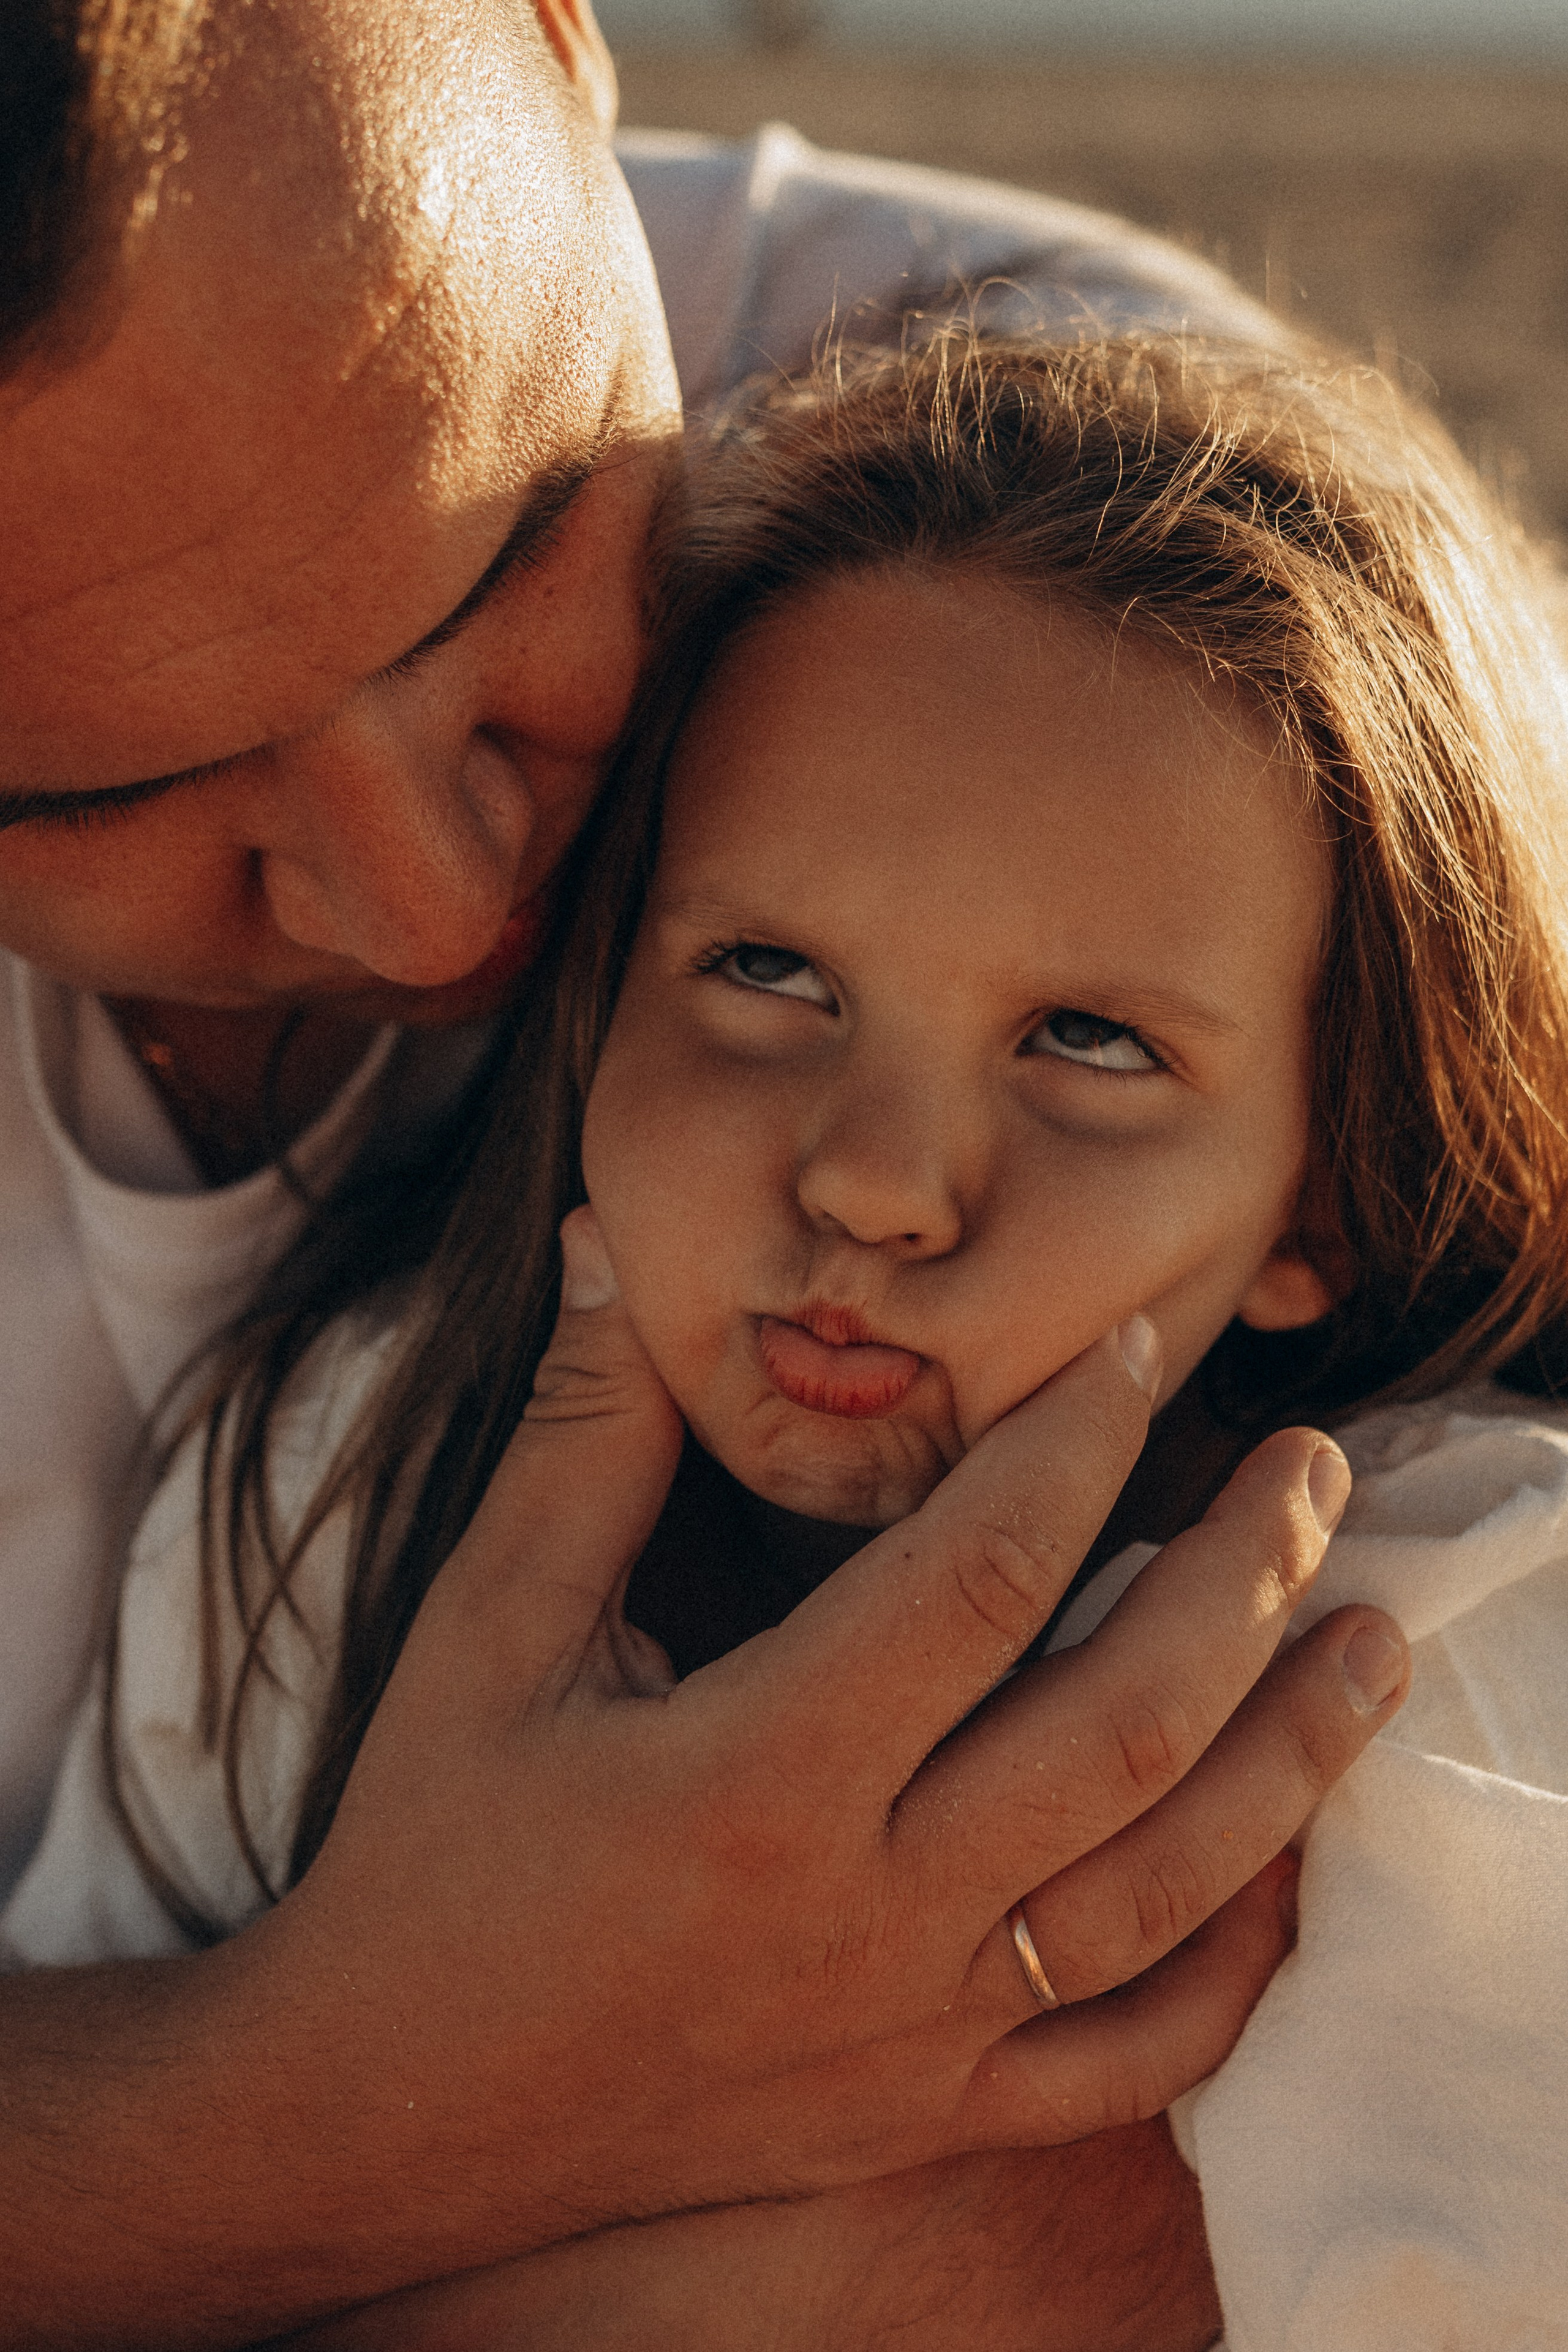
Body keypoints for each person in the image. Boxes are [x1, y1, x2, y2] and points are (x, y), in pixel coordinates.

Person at [0, 3, 1412, 2342]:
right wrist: (384, 2100)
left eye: (516, 547)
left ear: (563, 42)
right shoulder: (280, 1537)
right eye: (92, 793)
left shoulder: (1087, 528)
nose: (448, 913)